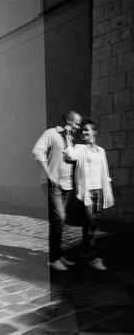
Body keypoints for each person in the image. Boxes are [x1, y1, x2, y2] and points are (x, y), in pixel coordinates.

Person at [32, 110, 82, 271]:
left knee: (60, 220)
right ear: (68, 120)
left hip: (66, 185)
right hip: (53, 183)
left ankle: (57, 256)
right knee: (59, 218)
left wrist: (68, 140)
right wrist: (48, 173)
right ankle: (53, 259)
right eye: (77, 123)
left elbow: (71, 158)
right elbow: (37, 150)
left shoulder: (70, 139)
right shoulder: (52, 133)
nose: (78, 126)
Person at [64, 119, 114, 270]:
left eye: (87, 130)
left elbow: (105, 172)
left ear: (94, 132)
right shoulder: (79, 148)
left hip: (99, 190)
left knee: (91, 226)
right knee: (90, 223)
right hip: (86, 192)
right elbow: (69, 156)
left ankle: (86, 253)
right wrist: (68, 138)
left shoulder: (101, 150)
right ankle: (94, 258)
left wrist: (107, 190)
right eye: (82, 130)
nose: (84, 132)